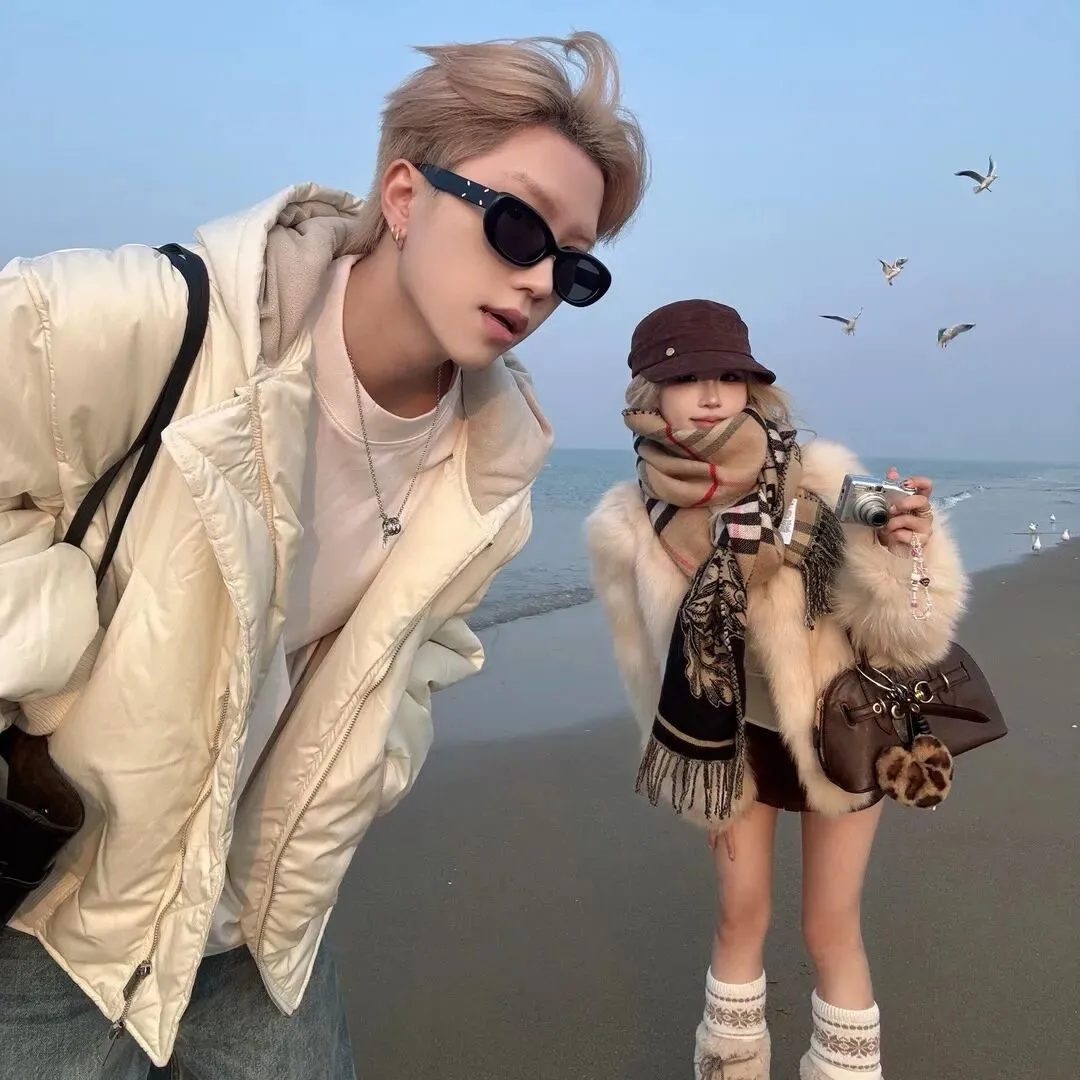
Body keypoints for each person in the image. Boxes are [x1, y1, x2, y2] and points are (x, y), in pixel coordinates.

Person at [0, 32, 649, 1079]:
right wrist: (42, 637)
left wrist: (368, 770)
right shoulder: (155, 323)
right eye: (518, 225)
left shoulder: (490, 462)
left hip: (255, 930)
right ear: (404, 195)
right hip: (48, 904)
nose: (536, 281)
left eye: (573, 266)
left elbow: (425, 650)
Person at [584, 300, 968, 1080]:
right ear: (649, 394)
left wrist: (907, 552)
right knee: (739, 917)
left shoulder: (818, 478)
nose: (711, 395)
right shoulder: (627, 522)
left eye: (729, 376)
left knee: (831, 928)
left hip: (842, 729)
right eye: (687, 378)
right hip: (730, 747)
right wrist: (694, 774)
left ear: (753, 388)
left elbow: (910, 639)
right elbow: (645, 670)